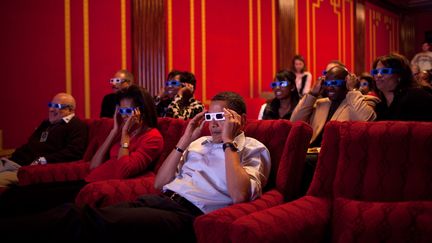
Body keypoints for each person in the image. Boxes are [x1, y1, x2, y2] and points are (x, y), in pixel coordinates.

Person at [0, 92, 271, 243]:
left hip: (189, 214)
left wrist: (227, 142)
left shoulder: (252, 148)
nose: (212, 122)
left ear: (240, 120)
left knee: (84, 223)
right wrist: (185, 139)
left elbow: (239, 195)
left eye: (220, 117)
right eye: (209, 116)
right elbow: (158, 183)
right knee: (78, 212)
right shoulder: (197, 143)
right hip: (159, 199)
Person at [0, 85, 164, 215]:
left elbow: (123, 170)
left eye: (128, 111)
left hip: (97, 187)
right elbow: (94, 165)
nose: (124, 116)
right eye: (121, 111)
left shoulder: (152, 137)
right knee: (22, 194)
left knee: (34, 203)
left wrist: (125, 139)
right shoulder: (123, 132)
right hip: (88, 179)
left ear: (142, 111)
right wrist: (114, 131)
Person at [0, 93, 87, 187]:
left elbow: (74, 152)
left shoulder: (76, 125)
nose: (51, 109)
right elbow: (31, 143)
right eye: (50, 105)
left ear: (69, 109)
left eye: (56, 106)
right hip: (12, 161)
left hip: (27, 170)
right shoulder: (46, 123)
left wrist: (43, 160)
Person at [290, 65, 379, 147]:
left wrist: (353, 90)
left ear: (347, 82)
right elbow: (294, 122)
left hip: (340, 154)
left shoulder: (365, 101)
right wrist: (312, 94)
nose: (330, 87)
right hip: (314, 152)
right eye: (327, 84)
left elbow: (365, 122)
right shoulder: (320, 103)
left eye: (336, 83)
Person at [373, 53, 432, 121]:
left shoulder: (416, 96)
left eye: (385, 71)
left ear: (400, 75)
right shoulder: (380, 107)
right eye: (375, 71)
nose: (378, 75)